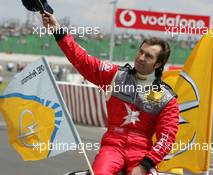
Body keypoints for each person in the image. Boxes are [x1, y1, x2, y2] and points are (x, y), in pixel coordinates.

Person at [41, 11, 179, 175]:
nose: (141, 57)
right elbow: (83, 61)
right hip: (112, 147)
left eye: (148, 56)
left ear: (158, 64)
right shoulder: (116, 75)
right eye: (140, 52)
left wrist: (143, 166)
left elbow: (166, 139)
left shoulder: (167, 98)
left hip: (142, 153)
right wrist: (57, 30)